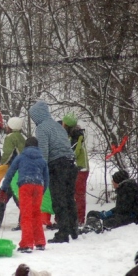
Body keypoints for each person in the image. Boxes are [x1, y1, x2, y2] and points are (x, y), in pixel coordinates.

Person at [29, 100, 79, 243]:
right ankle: (73, 229)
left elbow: (44, 152)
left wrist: (41, 170)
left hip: (58, 165)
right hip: (71, 164)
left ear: (37, 116)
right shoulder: (58, 126)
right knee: (69, 198)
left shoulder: (42, 128)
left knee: (59, 199)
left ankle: (63, 233)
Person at [0, 137, 49, 253]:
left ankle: (27, 244)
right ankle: (40, 242)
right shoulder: (42, 159)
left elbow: (10, 174)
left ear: (26, 146)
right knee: (36, 214)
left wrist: (4, 189)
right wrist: (42, 191)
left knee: (26, 215)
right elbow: (46, 178)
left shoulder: (21, 157)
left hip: (25, 185)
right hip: (38, 186)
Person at [0, 117, 26, 229]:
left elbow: (8, 153)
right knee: (18, 196)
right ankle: (24, 220)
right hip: (22, 170)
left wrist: (1, 165)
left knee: (3, 195)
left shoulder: (10, 137)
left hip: (13, 170)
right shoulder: (22, 137)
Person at [62, 113, 89, 225]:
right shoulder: (73, 135)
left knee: (78, 195)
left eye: (63, 124)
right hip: (75, 169)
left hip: (80, 169)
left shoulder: (76, 136)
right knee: (73, 194)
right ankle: (73, 218)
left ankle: (79, 219)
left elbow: (73, 152)